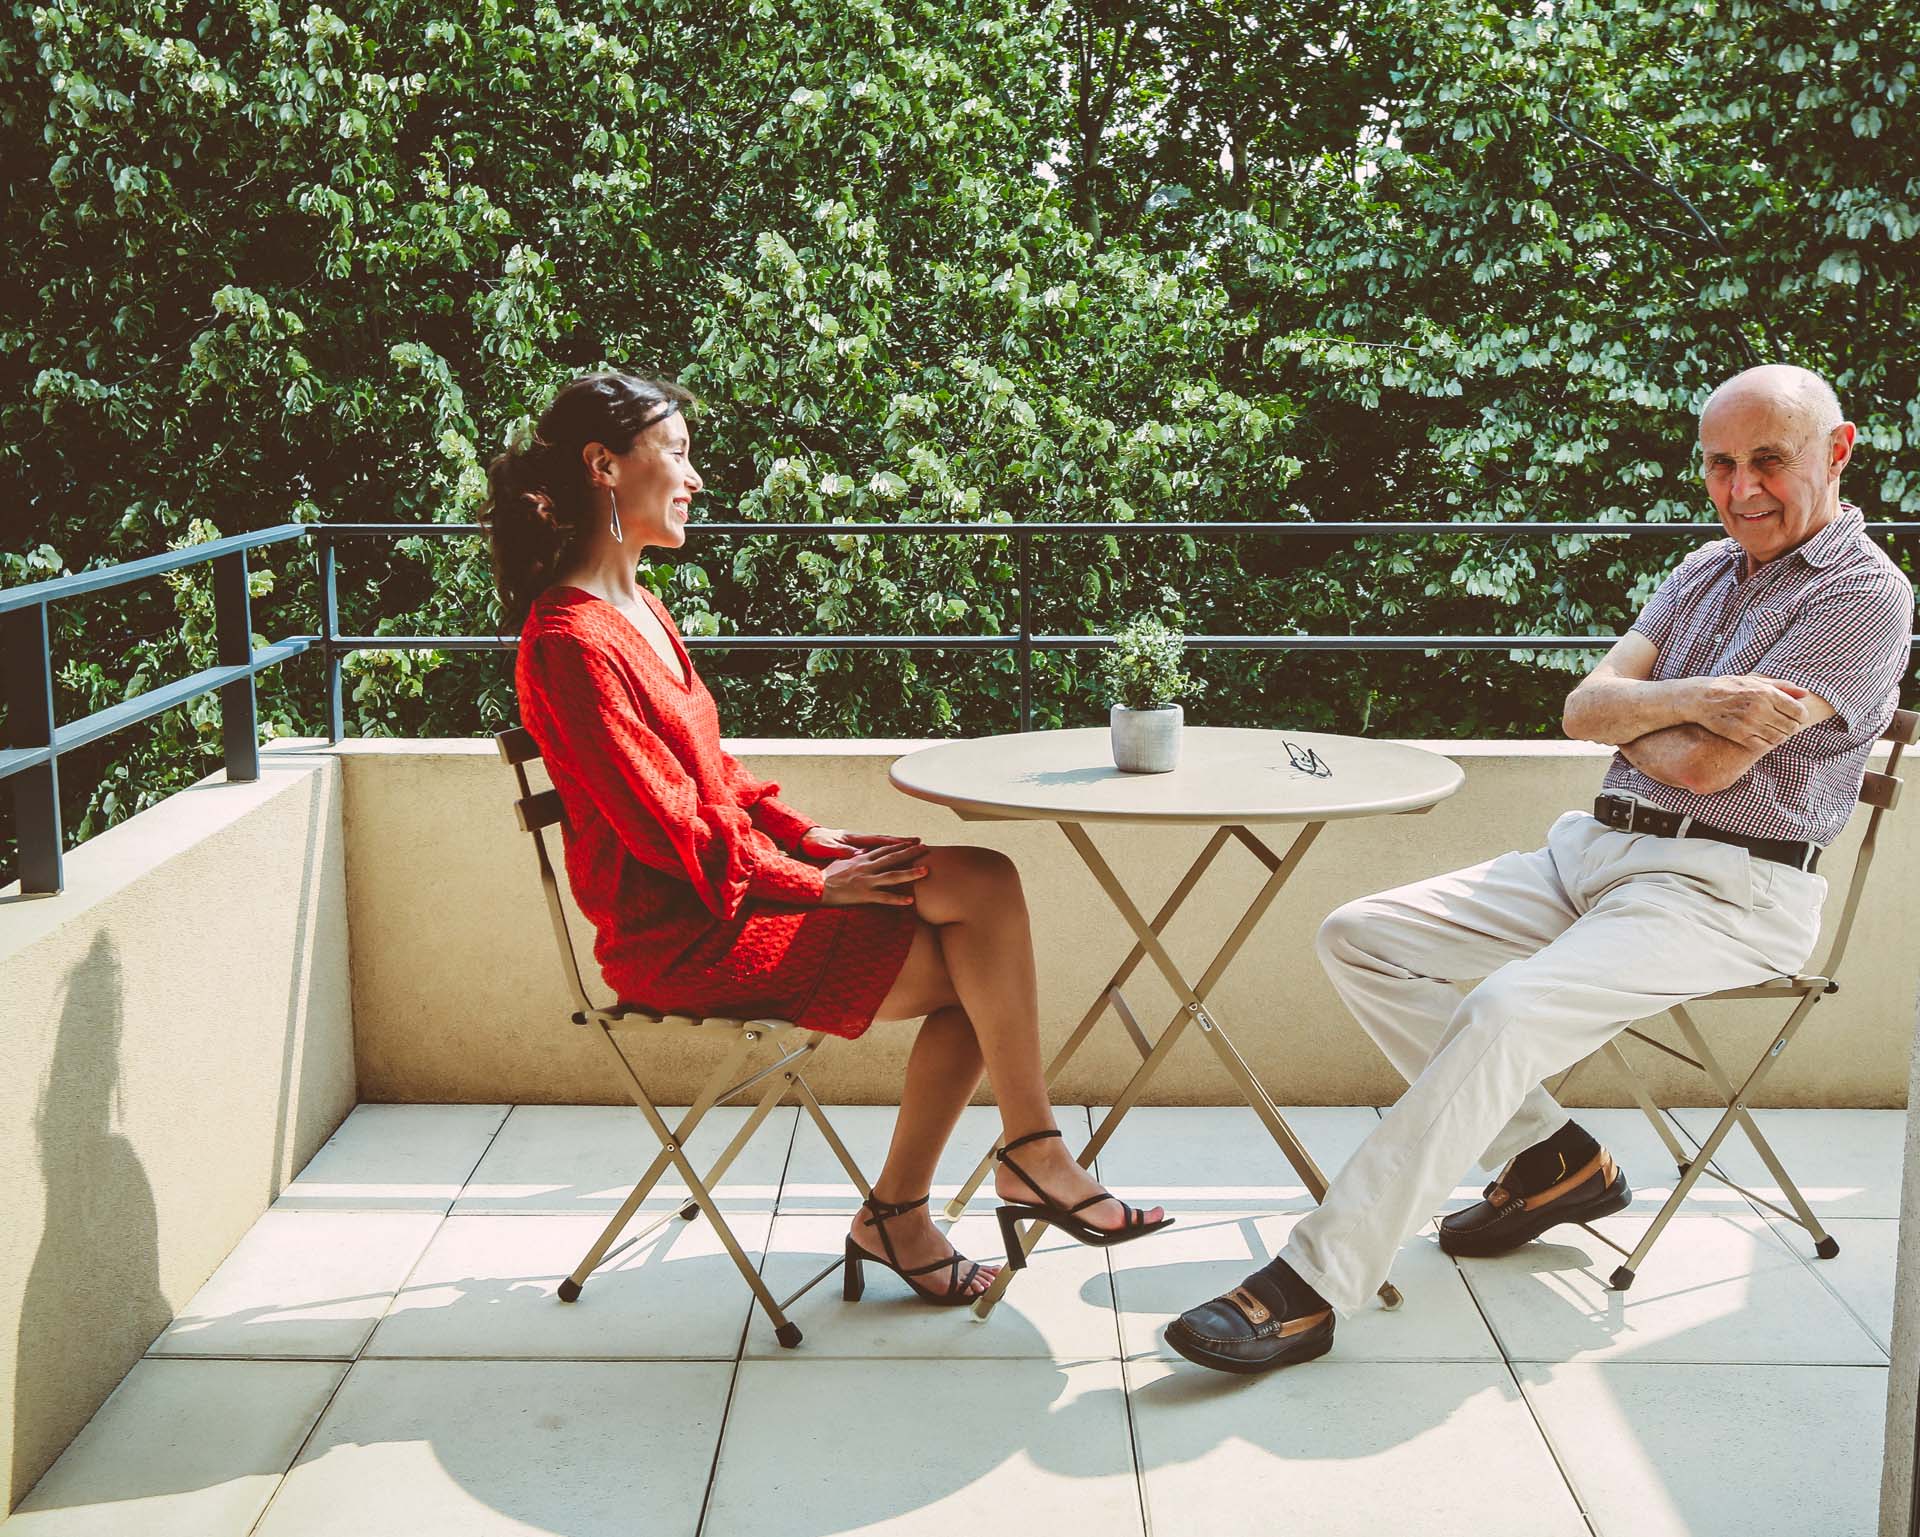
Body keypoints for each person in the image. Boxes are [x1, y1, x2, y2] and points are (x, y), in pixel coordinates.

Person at [1165, 363, 1914, 1374]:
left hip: (1730, 887)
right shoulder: (1702, 570)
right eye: (1721, 464)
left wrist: (1643, 710)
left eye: (1769, 462)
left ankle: (1313, 1282)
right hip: (1595, 848)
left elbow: (1700, 764)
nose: (1742, 490)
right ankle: (1555, 1160)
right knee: (1361, 936)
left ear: (1838, 451)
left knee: (1507, 1010)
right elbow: (1579, 709)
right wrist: (1690, 698)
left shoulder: (1866, 595)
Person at [482, 370, 1169, 1307]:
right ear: (605, 465)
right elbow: (663, 827)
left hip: (727, 888)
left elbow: (717, 786)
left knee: (984, 882)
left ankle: (999, 1167)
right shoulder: (570, 640)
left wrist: (818, 839)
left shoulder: (641, 612)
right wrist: (815, 884)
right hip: (679, 931)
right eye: (675, 452)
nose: (695, 478)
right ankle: (950, 1192)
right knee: (979, 971)